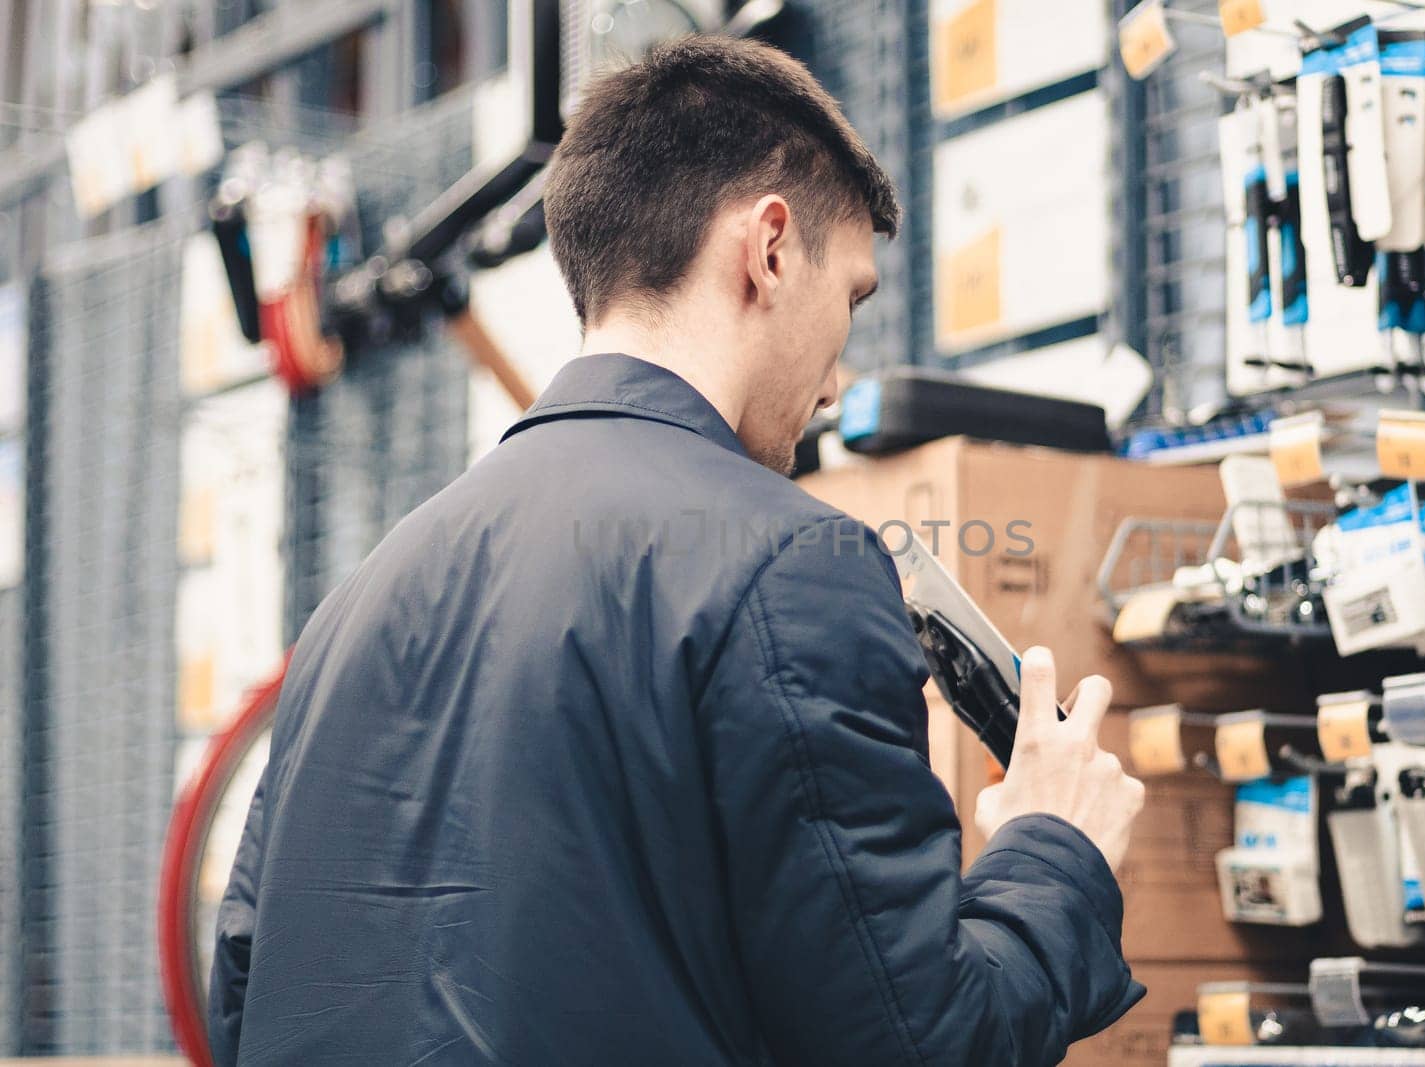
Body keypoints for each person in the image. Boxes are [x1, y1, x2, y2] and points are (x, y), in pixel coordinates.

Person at [209, 35, 1146, 1066]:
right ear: (771, 247)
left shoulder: (363, 594)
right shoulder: (791, 565)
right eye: (851, 300)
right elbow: (913, 1041)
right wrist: (1054, 848)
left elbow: (244, 990)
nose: (837, 384)